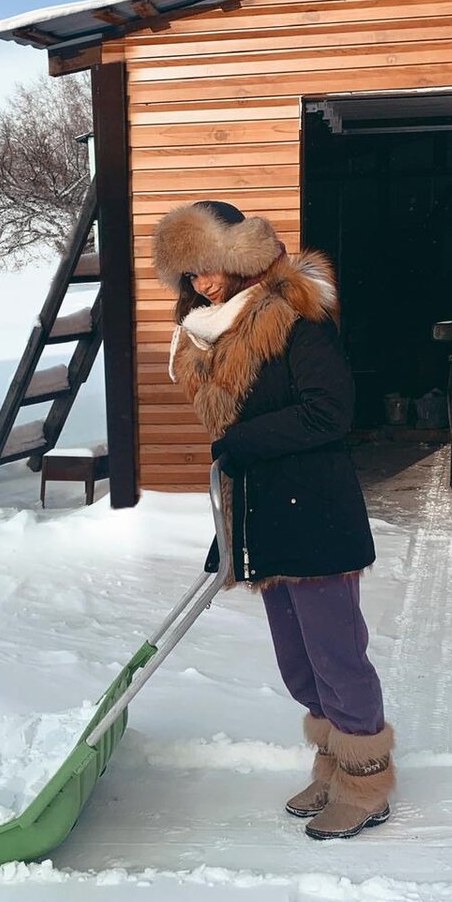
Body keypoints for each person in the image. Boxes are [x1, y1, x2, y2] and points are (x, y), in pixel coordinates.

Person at [152, 199, 394, 841]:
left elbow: (328, 413)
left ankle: (366, 780)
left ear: (239, 257)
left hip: (315, 512)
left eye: (208, 268)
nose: (200, 284)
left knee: (337, 657)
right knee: (298, 662)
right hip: (265, 516)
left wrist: (242, 443)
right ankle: (332, 762)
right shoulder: (214, 333)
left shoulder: (295, 320)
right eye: (189, 276)